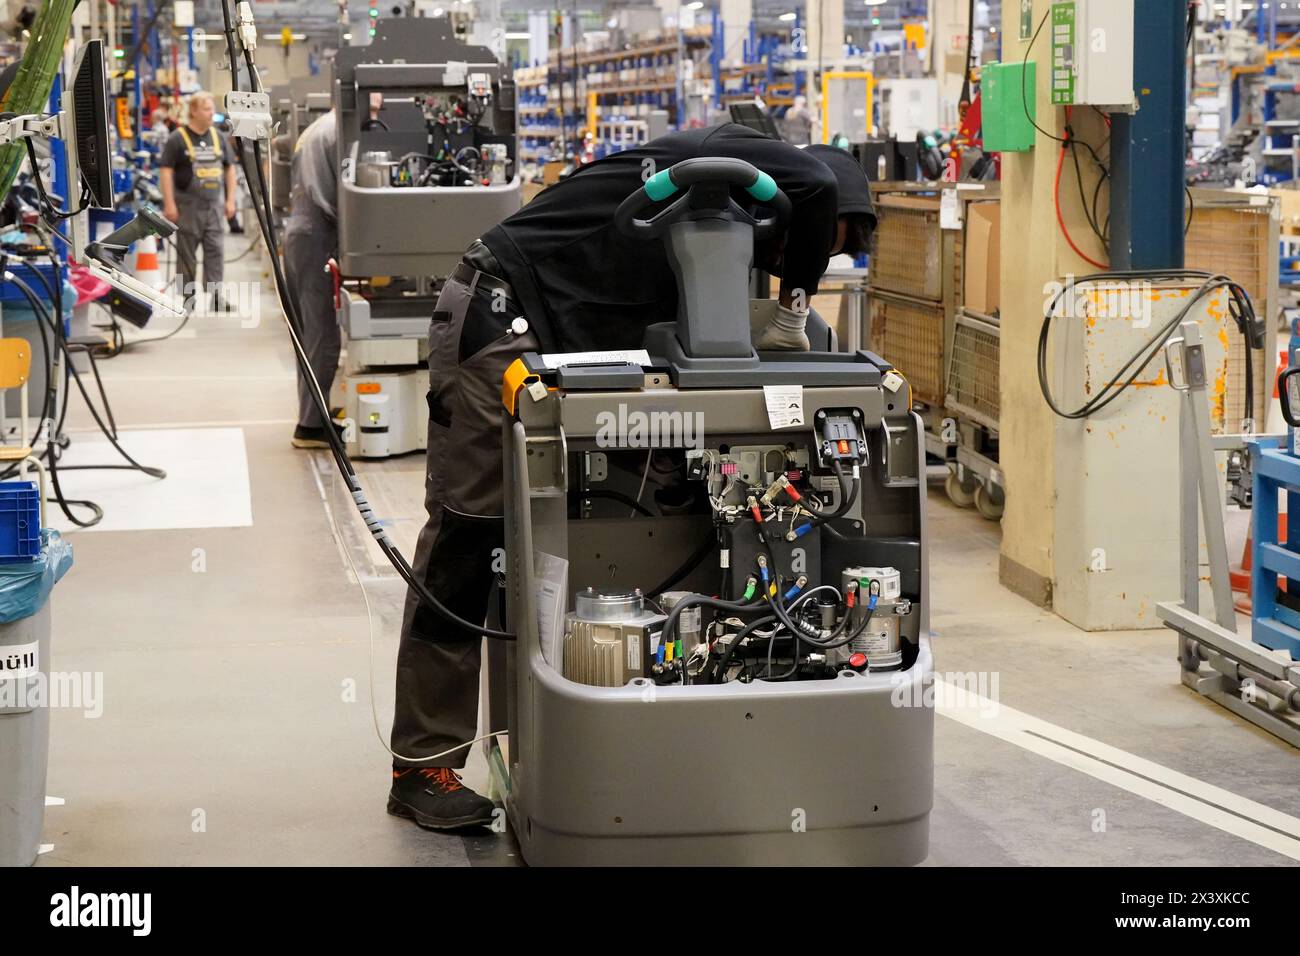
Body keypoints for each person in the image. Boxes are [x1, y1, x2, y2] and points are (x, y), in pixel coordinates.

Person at [386, 123, 876, 831]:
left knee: (641, 507)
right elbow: (821, 189)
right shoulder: (735, 164)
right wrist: (798, 305)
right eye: (825, 244)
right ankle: (421, 764)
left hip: (565, 343)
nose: (802, 261)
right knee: (471, 536)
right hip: (504, 315)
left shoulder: (715, 223)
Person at [282, 111, 342, 449]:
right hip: (316, 234)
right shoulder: (340, 130)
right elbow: (346, 196)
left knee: (309, 332)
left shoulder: (319, 127)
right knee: (321, 333)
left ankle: (313, 415)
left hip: (303, 231)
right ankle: (311, 425)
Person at [160, 91, 238, 312]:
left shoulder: (219, 137)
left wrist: (230, 200)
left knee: (216, 251)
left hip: (214, 206)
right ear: (193, 111)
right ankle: (187, 298)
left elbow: (229, 169)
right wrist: (169, 204)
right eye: (206, 109)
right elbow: (165, 171)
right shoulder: (177, 139)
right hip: (187, 206)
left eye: (212, 108)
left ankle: (216, 297)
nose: (211, 113)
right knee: (186, 253)